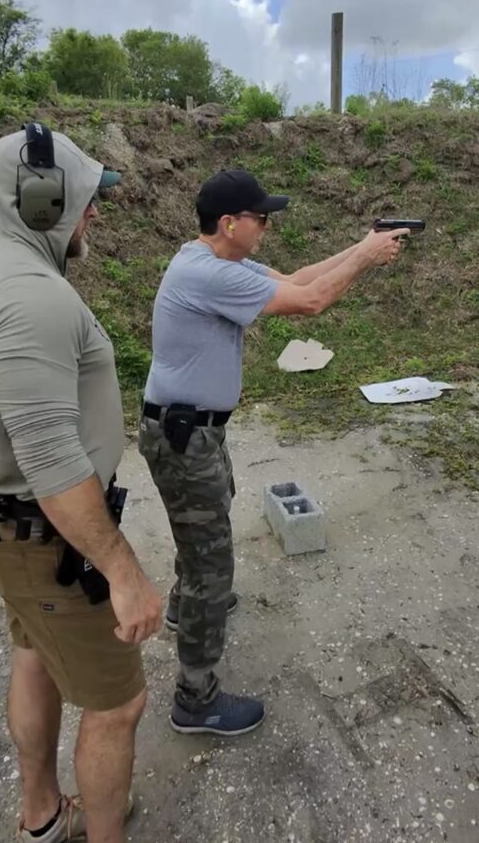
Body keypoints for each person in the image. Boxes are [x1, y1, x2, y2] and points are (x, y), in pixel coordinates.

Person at [138, 168, 408, 736]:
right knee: (212, 557)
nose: (266, 226)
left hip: (193, 432)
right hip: (185, 436)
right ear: (230, 223)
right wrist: (366, 259)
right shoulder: (208, 272)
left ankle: (186, 608)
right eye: (261, 218)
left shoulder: (219, 261)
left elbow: (297, 277)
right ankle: (195, 697)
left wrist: (361, 245)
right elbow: (310, 302)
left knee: (203, 530)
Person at [0, 125, 164, 843]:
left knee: (34, 657)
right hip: (53, 543)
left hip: (16, 533)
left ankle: (41, 815)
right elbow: (49, 455)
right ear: (40, 199)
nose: (94, 211)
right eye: (82, 195)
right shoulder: (32, 298)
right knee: (116, 707)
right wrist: (123, 569)